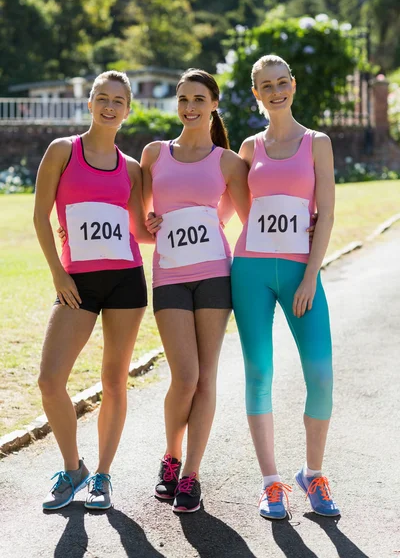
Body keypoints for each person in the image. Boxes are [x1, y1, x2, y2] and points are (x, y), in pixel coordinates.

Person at [34, 70, 152, 511]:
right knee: (50, 379)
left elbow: (139, 229)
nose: (109, 106)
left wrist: (172, 223)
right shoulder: (62, 152)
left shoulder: (134, 168)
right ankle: (73, 468)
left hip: (126, 279)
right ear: (89, 103)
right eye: (102, 97)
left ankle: (102, 475)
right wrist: (58, 274)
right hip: (76, 282)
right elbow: (40, 217)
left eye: (118, 100)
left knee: (114, 380)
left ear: (127, 109)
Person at [231, 55, 340, 519]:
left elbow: (328, 213)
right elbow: (240, 207)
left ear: (292, 86)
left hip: (301, 274)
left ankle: (312, 473)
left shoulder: (317, 143)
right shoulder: (248, 148)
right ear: (256, 93)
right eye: (265, 86)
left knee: (321, 377)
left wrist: (311, 274)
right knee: (259, 375)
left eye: (281, 83)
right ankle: (271, 484)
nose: (275, 91)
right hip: (250, 271)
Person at [142, 69, 250, 512]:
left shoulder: (227, 162)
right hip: (168, 274)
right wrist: (148, 224)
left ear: (214, 104)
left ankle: (191, 476)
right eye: (183, 99)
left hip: (213, 276)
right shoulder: (154, 154)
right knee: (183, 376)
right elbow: (141, 219)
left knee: (206, 377)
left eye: (198, 99)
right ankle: (171, 454)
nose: (189, 107)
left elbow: (249, 219)